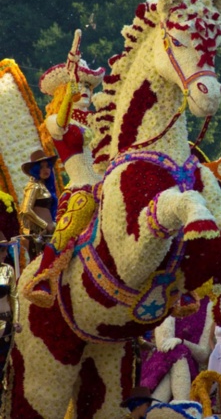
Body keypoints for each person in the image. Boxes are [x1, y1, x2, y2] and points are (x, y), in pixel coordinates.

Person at [23, 40, 105, 308]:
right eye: (80, 88)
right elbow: (61, 125)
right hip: (82, 188)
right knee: (66, 231)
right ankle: (42, 279)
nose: (86, 93)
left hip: (104, 183)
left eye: (88, 89)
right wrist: (69, 98)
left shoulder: (94, 123)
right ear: (63, 92)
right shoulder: (55, 122)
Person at [20, 149, 58, 260]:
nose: (45, 170)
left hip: (48, 234)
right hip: (38, 236)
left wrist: (53, 225)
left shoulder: (45, 186)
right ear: (35, 170)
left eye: (47, 166)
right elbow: (26, 210)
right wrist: (45, 225)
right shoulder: (34, 186)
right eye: (41, 167)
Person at [0, 233, 21, 395]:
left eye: (6, 251)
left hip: (5, 325)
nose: (6, 254)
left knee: (4, 365)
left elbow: (14, 297)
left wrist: (16, 320)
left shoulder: (8, 270)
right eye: (2, 251)